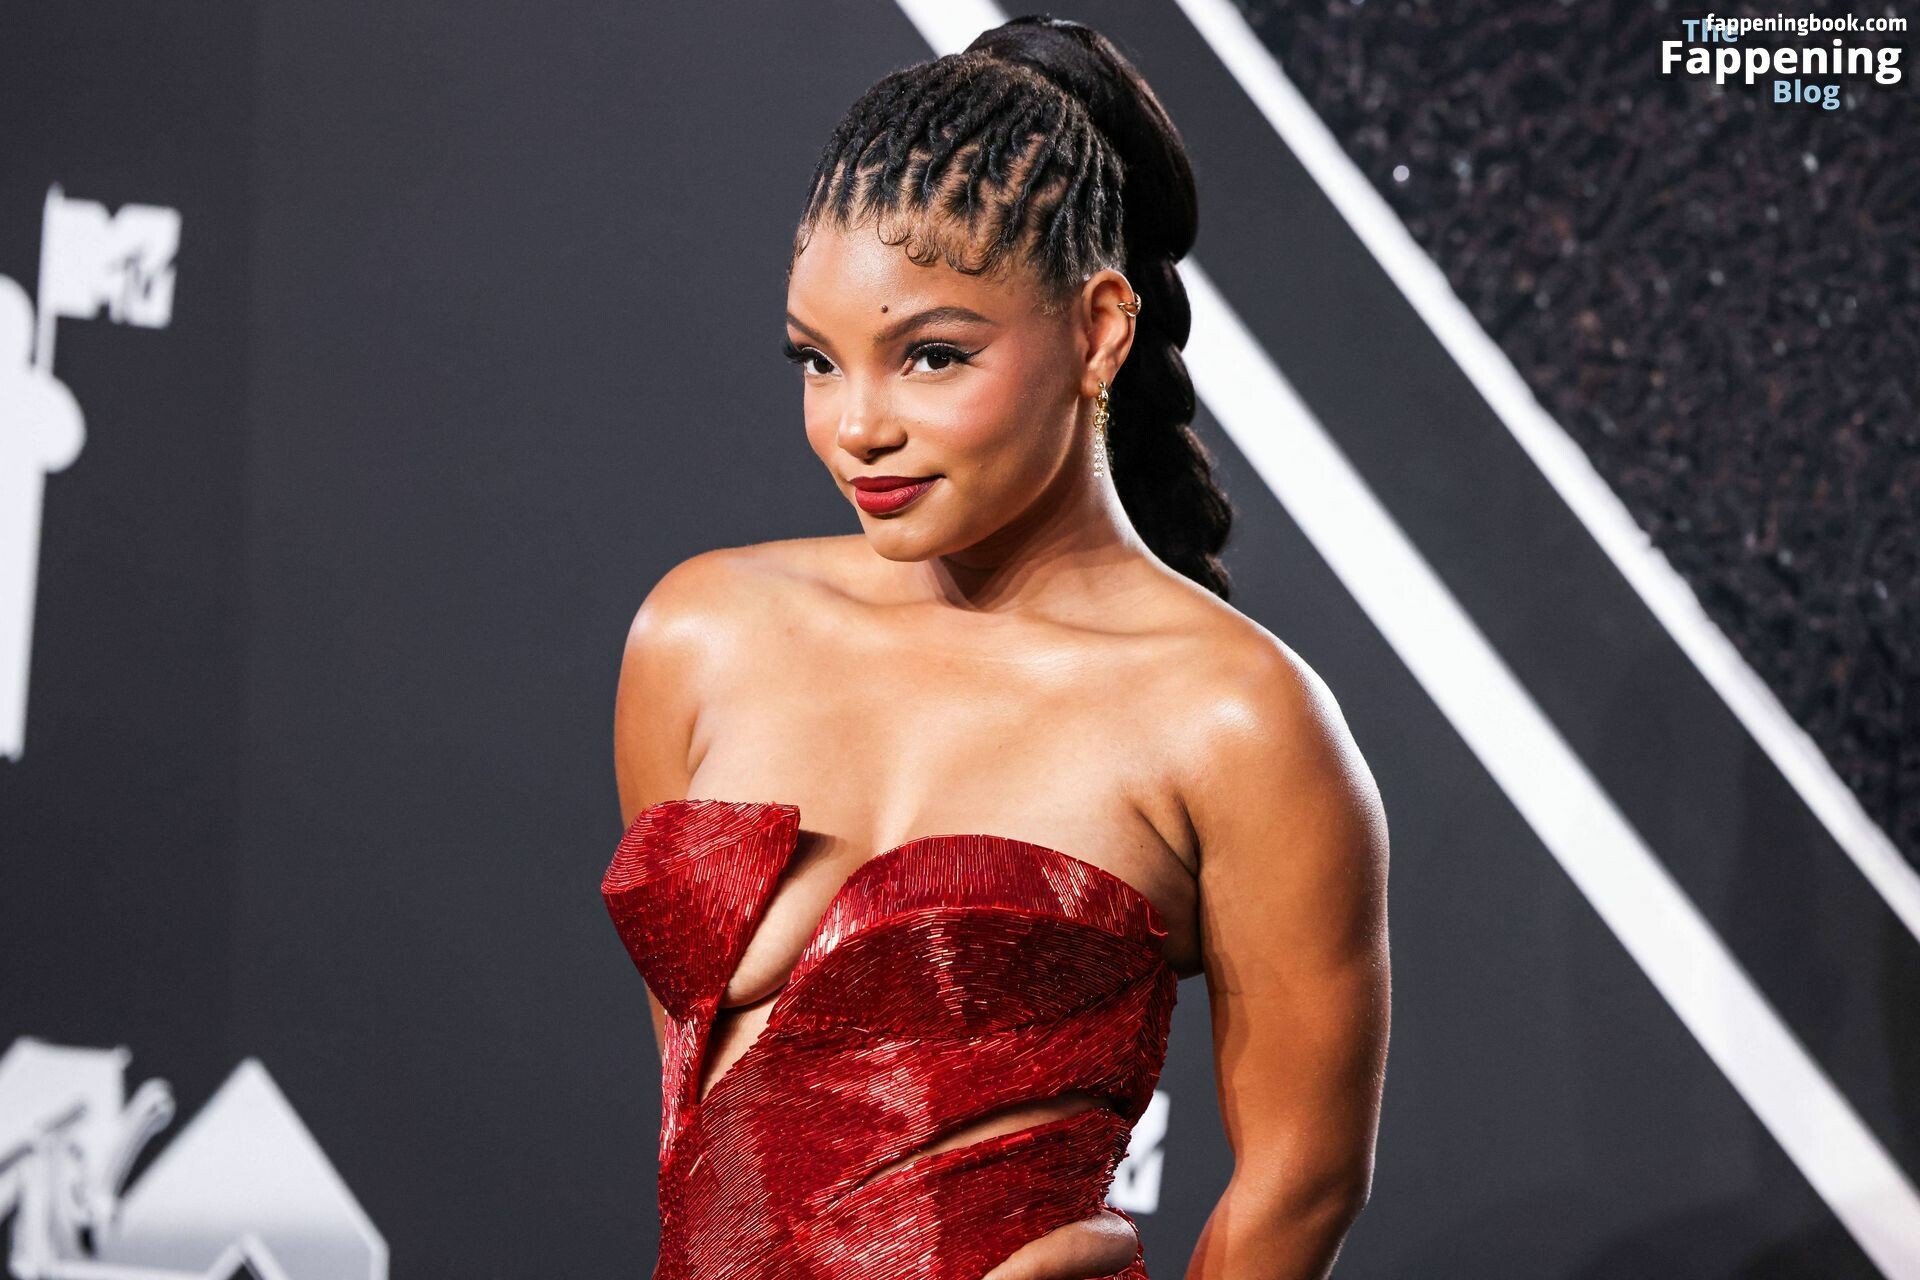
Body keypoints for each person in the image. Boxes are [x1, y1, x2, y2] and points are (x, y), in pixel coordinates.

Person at [604, 15, 1389, 1279]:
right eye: (817, 360)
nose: (858, 426)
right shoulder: (699, 636)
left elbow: (1302, 1185)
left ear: (1100, 329)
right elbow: (699, 1118)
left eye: (932, 355)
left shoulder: (1237, 717)